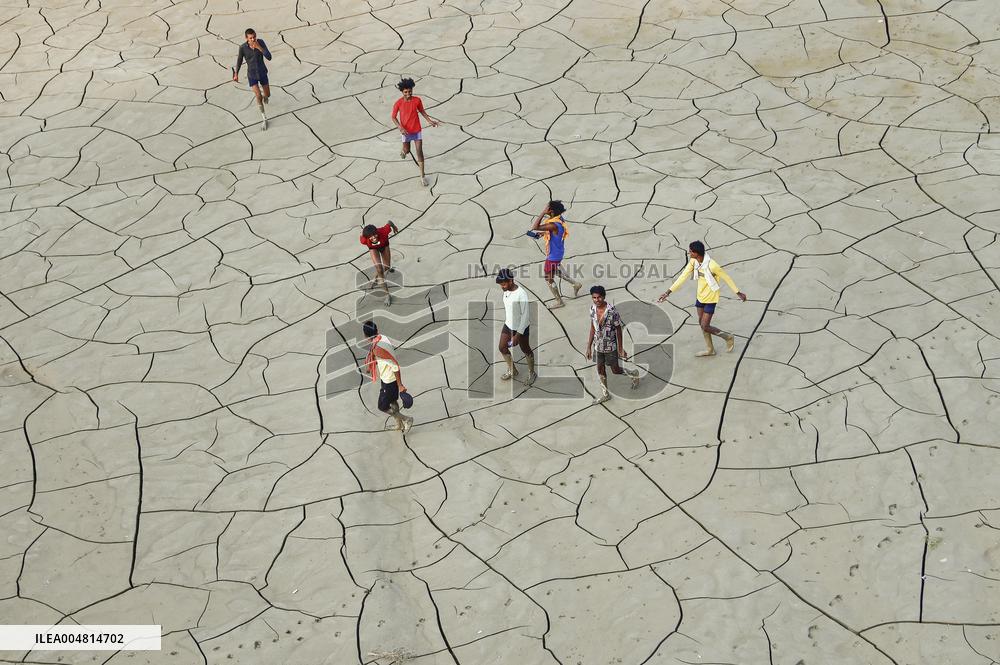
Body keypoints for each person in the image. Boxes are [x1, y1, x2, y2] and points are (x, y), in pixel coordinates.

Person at [657, 241, 747, 357]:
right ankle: (710, 350)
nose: (689, 252)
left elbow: (726, 277)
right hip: (700, 297)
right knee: (701, 323)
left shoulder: (712, 265)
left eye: (691, 251)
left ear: (696, 253)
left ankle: (728, 337)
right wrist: (667, 292)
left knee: (705, 325)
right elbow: (683, 276)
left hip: (711, 298)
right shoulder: (694, 262)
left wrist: (738, 292)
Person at [585, 286, 640, 404]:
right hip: (598, 346)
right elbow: (592, 327)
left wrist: (620, 348)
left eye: (599, 297)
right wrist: (588, 347)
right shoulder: (592, 309)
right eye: (594, 297)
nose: (596, 300)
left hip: (610, 346)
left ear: (604, 297)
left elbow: (618, 329)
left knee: (615, 370)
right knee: (600, 369)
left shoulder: (612, 311)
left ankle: (633, 374)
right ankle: (605, 394)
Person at [529, 201, 582, 309]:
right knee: (555, 271)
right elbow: (556, 231)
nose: (545, 209)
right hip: (558, 252)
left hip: (553, 256)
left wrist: (543, 213)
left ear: (551, 212)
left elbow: (535, 226)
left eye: (547, 208)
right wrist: (543, 233)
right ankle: (575, 284)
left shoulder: (553, 224)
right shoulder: (559, 219)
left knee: (548, 277)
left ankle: (559, 301)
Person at [362, 320, 413, 432]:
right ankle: (399, 424)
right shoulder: (381, 338)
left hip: (389, 381)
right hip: (387, 379)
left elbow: (394, 366)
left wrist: (400, 385)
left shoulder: (378, 349)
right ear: (377, 330)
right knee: (393, 401)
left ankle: (406, 419)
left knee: (382, 406)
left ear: (365, 336)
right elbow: (378, 355)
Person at [391, 78, 440, 186]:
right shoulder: (398, 103)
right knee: (407, 150)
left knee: (419, 152)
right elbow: (393, 117)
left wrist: (429, 121)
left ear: (412, 90)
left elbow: (422, 111)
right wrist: (400, 128)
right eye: (405, 92)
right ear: (402, 92)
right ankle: (403, 151)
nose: (408, 94)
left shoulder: (417, 100)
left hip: (417, 130)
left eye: (410, 91)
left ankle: (422, 177)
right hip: (406, 132)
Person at [496, 268, 536, 384]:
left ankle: (532, 373)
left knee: (525, 349)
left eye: (504, 284)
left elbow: (525, 317)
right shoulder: (506, 291)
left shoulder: (521, 294)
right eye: (501, 285)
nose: (502, 287)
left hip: (521, 328)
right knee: (502, 347)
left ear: (511, 281)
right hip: (508, 325)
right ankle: (513, 370)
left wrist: (517, 335)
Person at [232, 28, 273, 130]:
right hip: (252, 75)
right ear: (246, 38)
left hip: (262, 72)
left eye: (254, 36)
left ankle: (265, 96)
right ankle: (264, 118)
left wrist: (259, 47)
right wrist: (236, 73)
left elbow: (269, 57)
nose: (253, 39)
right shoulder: (242, 48)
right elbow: (239, 60)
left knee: (267, 94)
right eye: (251, 38)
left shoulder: (261, 42)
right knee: (258, 95)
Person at [359, 221, 399, 306]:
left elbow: (389, 222)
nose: (373, 237)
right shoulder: (364, 240)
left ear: (377, 232)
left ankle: (376, 277)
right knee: (380, 270)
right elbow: (361, 235)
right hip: (373, 249)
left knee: (387, 267)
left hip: (384, 246)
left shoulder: (383, 231)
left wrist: (394, 226)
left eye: (375, 234)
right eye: (370, 236)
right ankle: (387, 294)